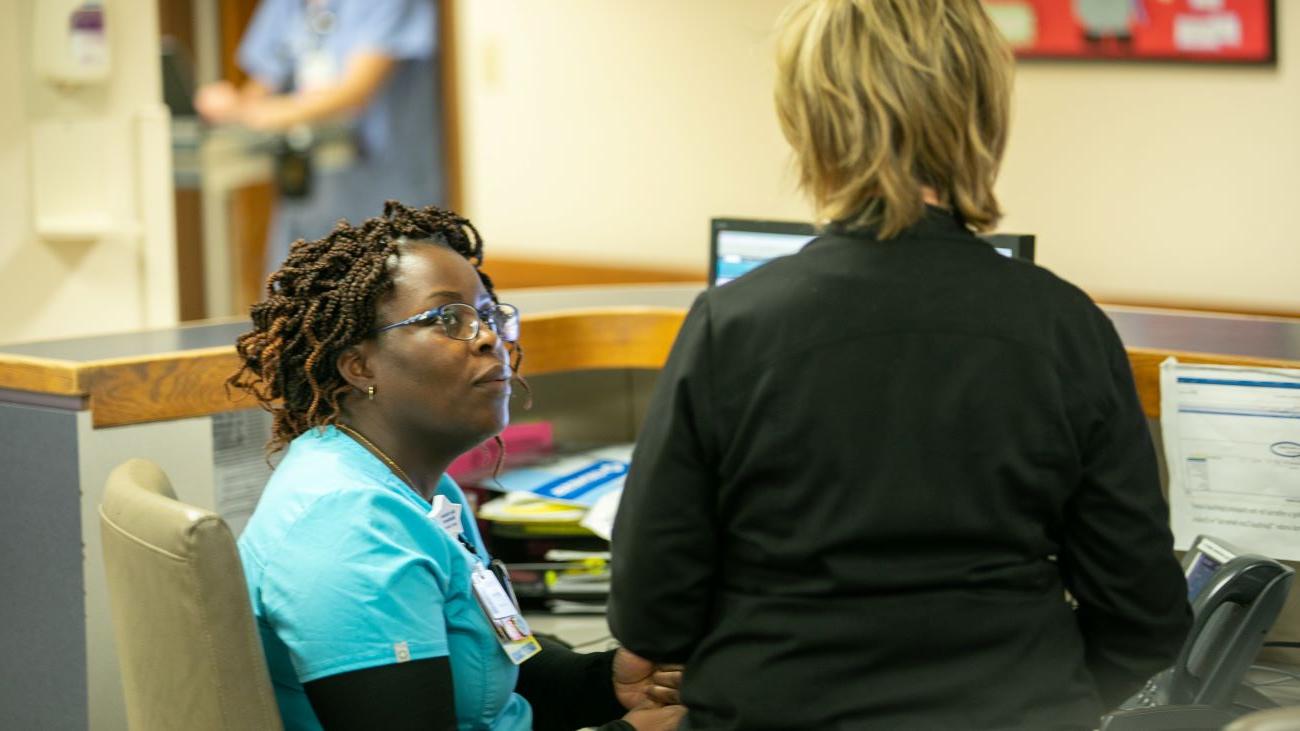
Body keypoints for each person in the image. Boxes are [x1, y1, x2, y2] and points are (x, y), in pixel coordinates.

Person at [608, 1, 1191, 729]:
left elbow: (652, 609)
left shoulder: (734, 326)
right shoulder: (1067, 328)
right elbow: (1146, 614)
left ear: (808, 118)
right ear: (980, 113)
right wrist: (1043, 694)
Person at [229, 201, 685, 731]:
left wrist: (605, 683)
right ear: (358, 366)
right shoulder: (348, 526)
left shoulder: (418, 486)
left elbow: (486, 683)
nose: (490, 337)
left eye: (491, 316)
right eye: (450, 319)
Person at [195, 0, 445, 273]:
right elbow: (263, 84)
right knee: (303, 286)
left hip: (383, 182)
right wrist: (232, 106)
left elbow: (355, 92)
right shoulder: (287, 6)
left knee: (392, 284)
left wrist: (256, 113)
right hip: (311, 186)